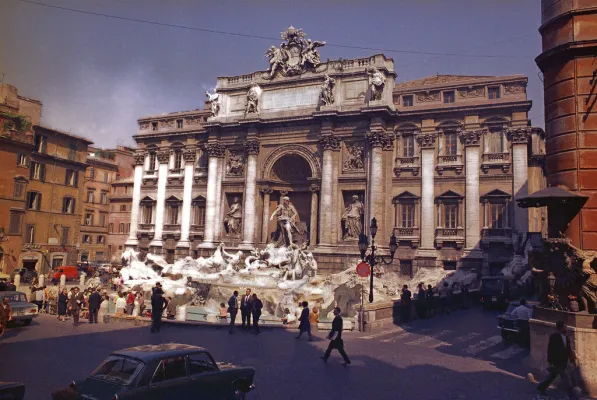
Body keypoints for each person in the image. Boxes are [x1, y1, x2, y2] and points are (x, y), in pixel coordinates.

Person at [537, 321, 576, 396]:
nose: (566, 328)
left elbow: (568, 349)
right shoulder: (554, 337)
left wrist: (572, 359)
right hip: (557, 362)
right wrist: (550, 361)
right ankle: (571, 395)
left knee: (552, 376)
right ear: (561, 328)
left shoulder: (566, 337)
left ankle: (541, 387)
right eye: (565, 327)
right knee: (565, 377)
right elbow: (550, 349)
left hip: (563, 361)